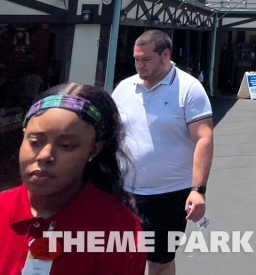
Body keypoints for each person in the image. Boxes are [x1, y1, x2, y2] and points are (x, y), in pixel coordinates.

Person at [0, 84, 147, 275]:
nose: (45, 155)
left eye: (66, 145)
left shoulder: (118, 230)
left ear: (93, 150)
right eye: (35, 142)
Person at [113, 30, 213, 275]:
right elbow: (110, 135)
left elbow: (204, 138)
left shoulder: (189, 88)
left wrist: (198, 190)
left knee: (159, 262)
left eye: (145, 59)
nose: (139, 65)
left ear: (165, 55)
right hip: (125, 192)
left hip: (169, 195)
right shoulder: (124, 88)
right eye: (136, 59)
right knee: (123, 259)